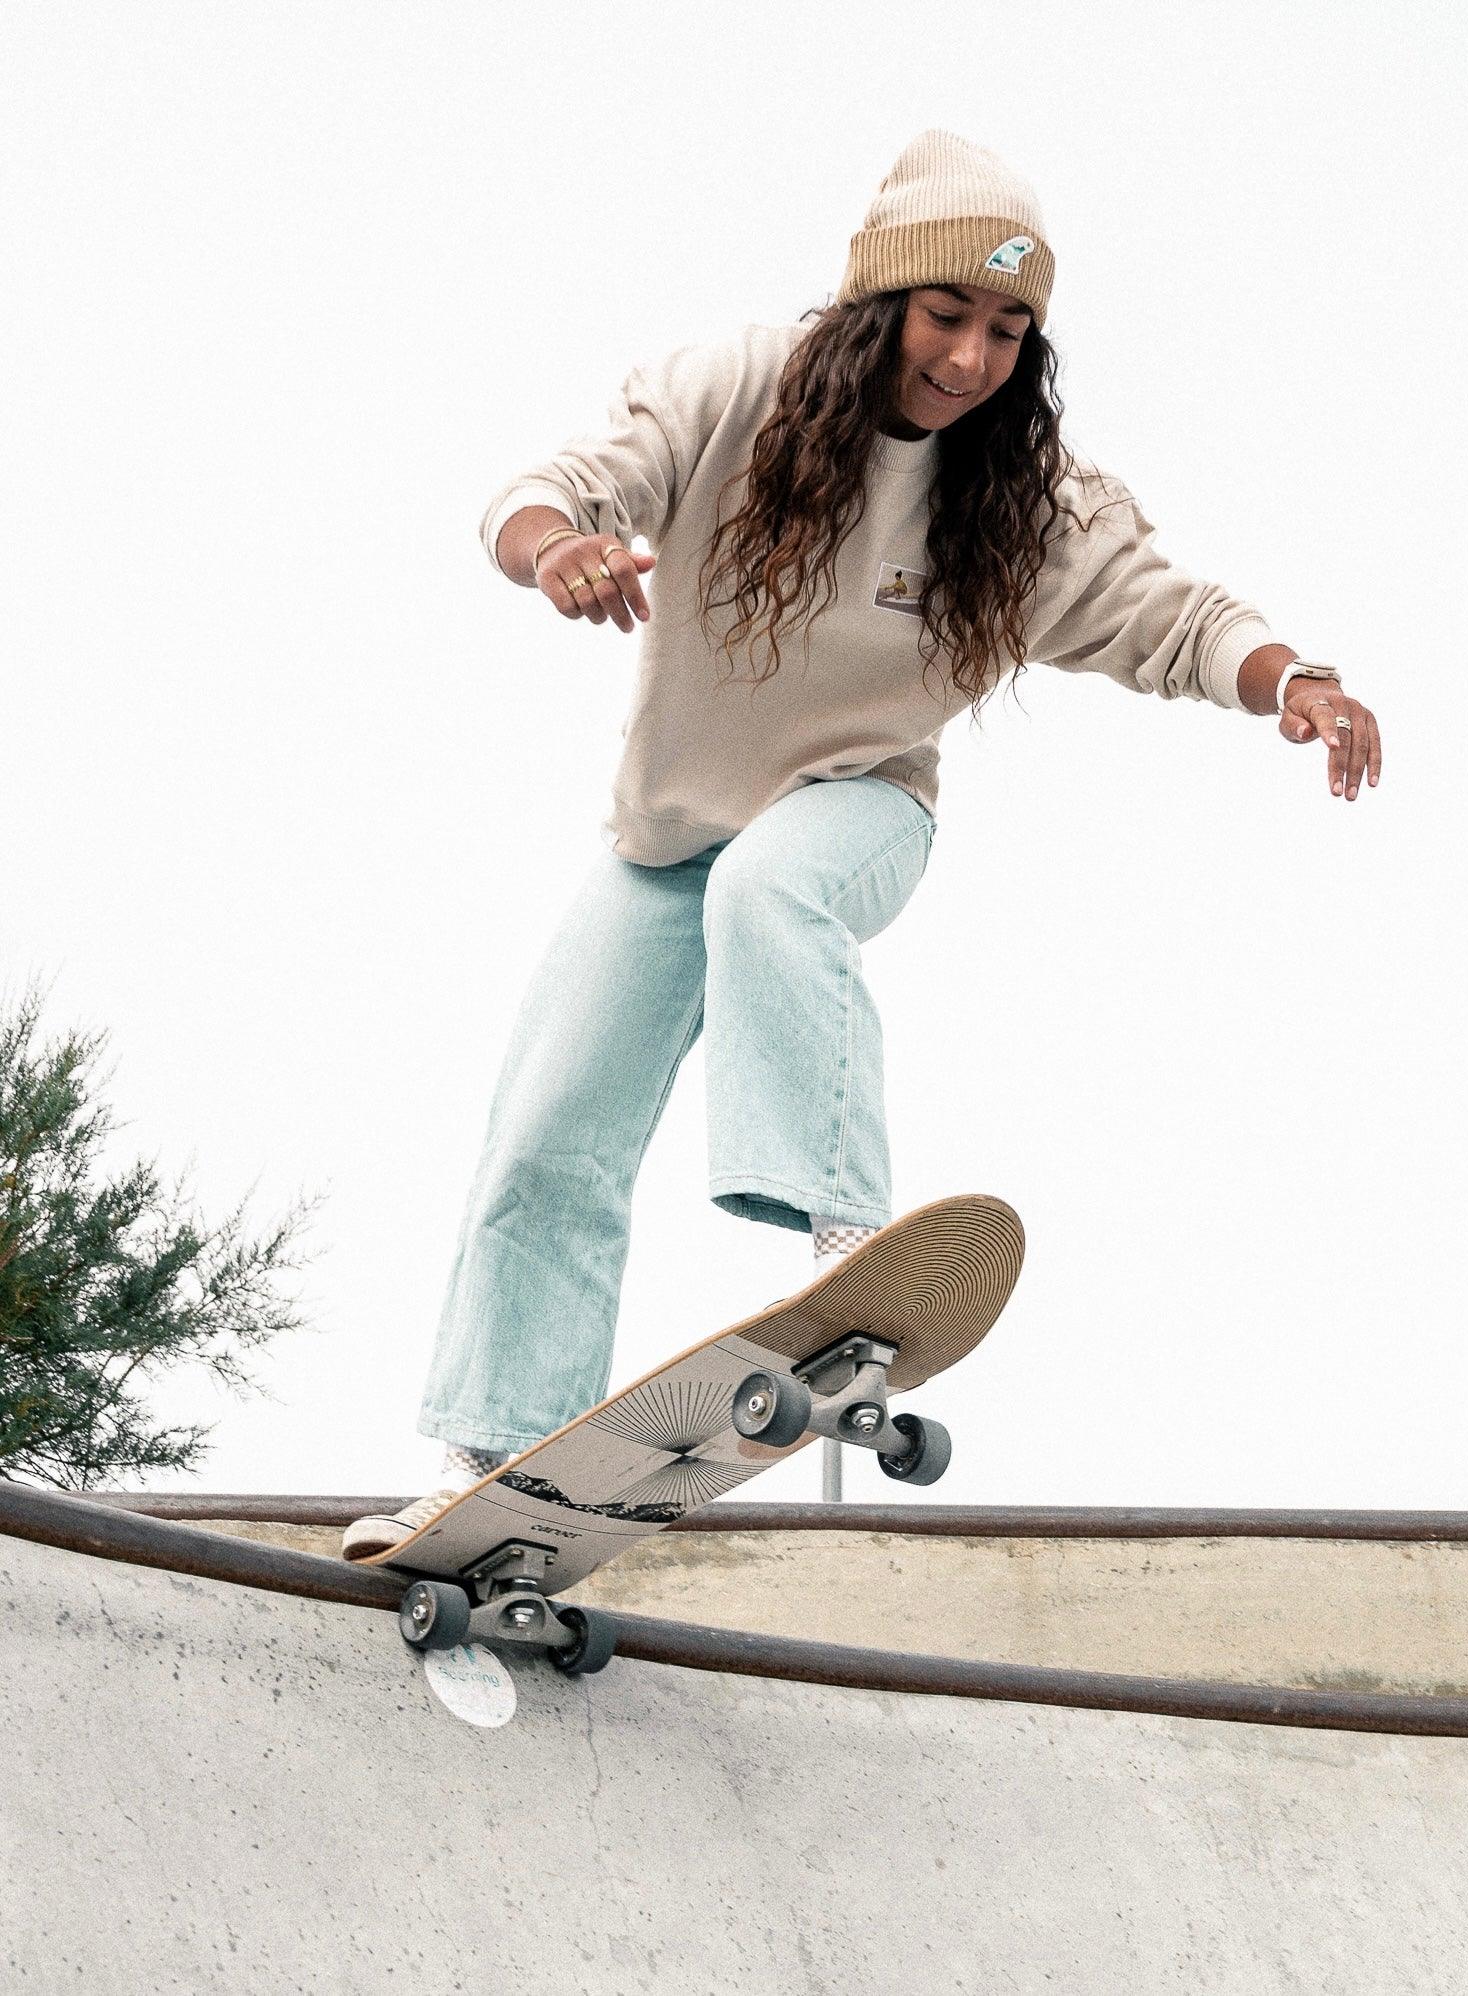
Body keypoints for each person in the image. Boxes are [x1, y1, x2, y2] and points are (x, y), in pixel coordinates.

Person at [342, 128, 1380, 1560]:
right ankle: (499, 1456)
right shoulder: (734, 393)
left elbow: (1171, 617)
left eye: (1008, 331)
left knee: (775, 889)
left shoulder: (1027, 503)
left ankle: (846, 1238)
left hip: (858, 808)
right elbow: (553, 491)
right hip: (669, 837)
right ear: (877, 306)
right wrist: (557, 552)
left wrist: (1294, 681)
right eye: (945, 316)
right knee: (545, 1140)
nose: (969, 359)